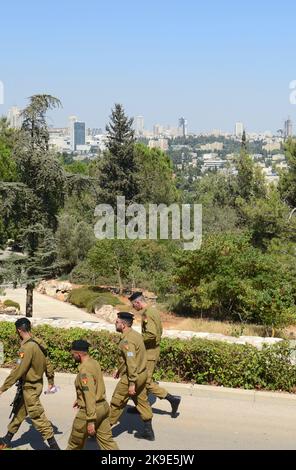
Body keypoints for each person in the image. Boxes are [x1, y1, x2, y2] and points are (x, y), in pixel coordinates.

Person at [0, 317, 60, 450]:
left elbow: (18, 371)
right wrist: (51, 381)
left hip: (30, 388)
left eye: (17, 332)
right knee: (20, 412)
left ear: (20, 330)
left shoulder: (27, 348)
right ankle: (6, 439)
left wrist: (3, 388)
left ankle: (54, 447)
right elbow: (48, 365)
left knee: (38, 417)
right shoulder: (39, 344)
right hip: (35, 386)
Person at [128, 292, 181, 417]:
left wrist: (138, 341)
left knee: (145, 381)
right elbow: (160, 330)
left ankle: (172, 399)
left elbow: (151, 334)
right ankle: (141, 407)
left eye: (133, 305)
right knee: (142, 380)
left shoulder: (148, 313)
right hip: (151, 350)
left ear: (138, 302)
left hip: (150, 352)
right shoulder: (153, 311)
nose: (133, 308)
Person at [109, 312, 155, 441]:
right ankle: (148, 431)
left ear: (123, 325)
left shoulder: (127, 340)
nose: (115, 323)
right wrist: (119, 369)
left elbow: (131, 362)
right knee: (141, 401)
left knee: (117, 402)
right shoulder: (136, 335)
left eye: (117, 322)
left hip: (132, 376)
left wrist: (131, 383)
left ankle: (103, 431)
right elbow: (132, 358)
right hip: (142, 374)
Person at [67, 339, 118, 450]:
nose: (72, 356)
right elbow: (94, 386)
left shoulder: (84, 371)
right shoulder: (93, 363)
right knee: (107, 442)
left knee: (74, 444)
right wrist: (79, 398)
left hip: (90, 411)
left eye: (73, 354)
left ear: (78, 354)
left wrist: (90, 421)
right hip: (103, 407)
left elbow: (89, 395)